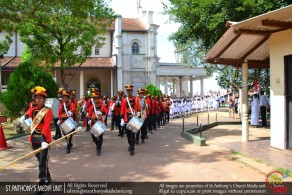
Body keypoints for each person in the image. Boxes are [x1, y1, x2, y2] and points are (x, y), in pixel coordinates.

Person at [21, 86, 52, 184]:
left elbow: (46, 126)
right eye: (36, 98)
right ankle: (48, 176)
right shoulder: (33, 109)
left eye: (40, 98)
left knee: (43, 162)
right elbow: (27, 114)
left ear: (44, 99)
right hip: (34, 139)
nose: (38, 100)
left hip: (44, 139)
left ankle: (42, 181)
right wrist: (23, 117)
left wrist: (43, 140)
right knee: (40, 160)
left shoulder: (47, 110)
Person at [120, 84, 141, 156]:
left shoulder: (136, 99)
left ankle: (132, 149)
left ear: (132, 91)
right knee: (128, 135)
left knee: (132, 134)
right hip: (126, 119)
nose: (129, 92)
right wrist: (122, 119)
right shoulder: (124, 100)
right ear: (126, 91)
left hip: (134, 119)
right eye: (128, 91)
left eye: (130, 90)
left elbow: (138, 108)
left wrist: (138, 113)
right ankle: (130, 144)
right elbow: (122, 110)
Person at [88, 92, 105, 156]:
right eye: (94, 99)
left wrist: (102, 113)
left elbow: (106, 113)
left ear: (99, 99)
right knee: (93, 135)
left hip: (100, 123)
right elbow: (89, 115)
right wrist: (89, 120)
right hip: (93, 123)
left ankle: (98, 149)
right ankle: (98, 144)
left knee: (100, 136)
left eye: (97, 99)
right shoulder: (92, 107)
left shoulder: (102, 106)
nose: (96, 100)